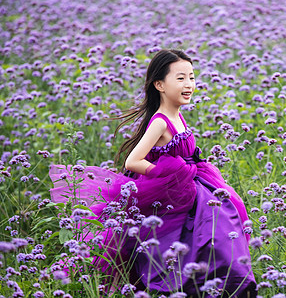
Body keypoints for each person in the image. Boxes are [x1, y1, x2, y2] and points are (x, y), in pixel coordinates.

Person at [49, 49, 257, 297]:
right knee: (190, 236)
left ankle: (222, 284)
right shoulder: (160, 121)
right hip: (171, 187)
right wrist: (165, 173)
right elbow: (133, 160)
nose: (189, 84)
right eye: (180, 78)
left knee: (217, 226)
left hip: (193, 182)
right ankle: (201, 285)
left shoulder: (178, 115)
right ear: (159, 84)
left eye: (191, 77)